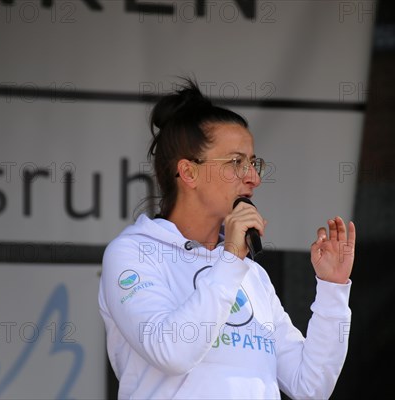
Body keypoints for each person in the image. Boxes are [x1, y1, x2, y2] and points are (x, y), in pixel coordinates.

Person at [98, 79, 356, 399]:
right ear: (189, 173)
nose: (254, 178)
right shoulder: (134, 253)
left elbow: (311, 386)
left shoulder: (251, 275)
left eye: (253, 162)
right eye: (237, 162)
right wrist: (232, 257)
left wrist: (333, 288)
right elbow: (171, 352)